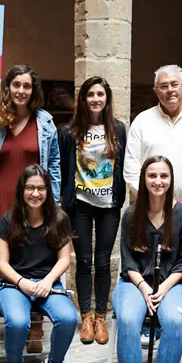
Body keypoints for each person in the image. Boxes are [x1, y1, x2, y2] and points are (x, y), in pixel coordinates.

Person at [124, 64, 182, 355]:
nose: (170, 90)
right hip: (149, 215)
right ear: (156, 91)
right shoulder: (142, 121)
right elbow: (131, 168)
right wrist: (152, 203)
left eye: (174, 84)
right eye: (163, 86)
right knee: (151, 271)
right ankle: (151, 325)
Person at [0, 65, 62, 353]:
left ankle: (36, 323)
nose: (21, 91)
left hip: (37, 198)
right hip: (3, 195)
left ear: (33, 90)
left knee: (37, 253)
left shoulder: (45, 122)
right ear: (8, 87)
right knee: (4, 255)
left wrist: (56, 201)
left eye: (26, 85)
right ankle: (13, 314)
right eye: (16, 85)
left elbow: (54, 165)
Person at [114, 155, 182, 363]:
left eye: (163, 176)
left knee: (172, 320)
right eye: (152, 176)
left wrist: (163, 289)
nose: (158, 181)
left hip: (173, 284)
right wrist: (146, 289)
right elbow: (128, 262)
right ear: (143, 179)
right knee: (126, 318)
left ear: (171, 180)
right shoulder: (130, 214)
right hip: (135, 282)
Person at [0, 164, 77, 363]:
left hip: (47, 284)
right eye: (30, 187)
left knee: (69, 318)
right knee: (18, 322)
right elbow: (2, 263)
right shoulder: (8, 219)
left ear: (48, 191)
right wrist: (22, 282)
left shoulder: (60, 218)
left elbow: (64, 260)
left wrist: (48, 281)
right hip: (12, 284)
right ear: (22, 190)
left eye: (41, 188)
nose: (35, 193)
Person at [59, 76, 127, 345]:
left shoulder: (118, 130)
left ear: (107, 98)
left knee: (103, 261)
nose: (96, 99)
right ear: (83, 99)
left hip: (109, 205)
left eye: (100, 94)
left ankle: (101, 316)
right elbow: (63, 167)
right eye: (91, 94)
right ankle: (85, 316)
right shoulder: (69, 132)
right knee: (84, 261)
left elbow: (123, 165)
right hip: (80, 205)